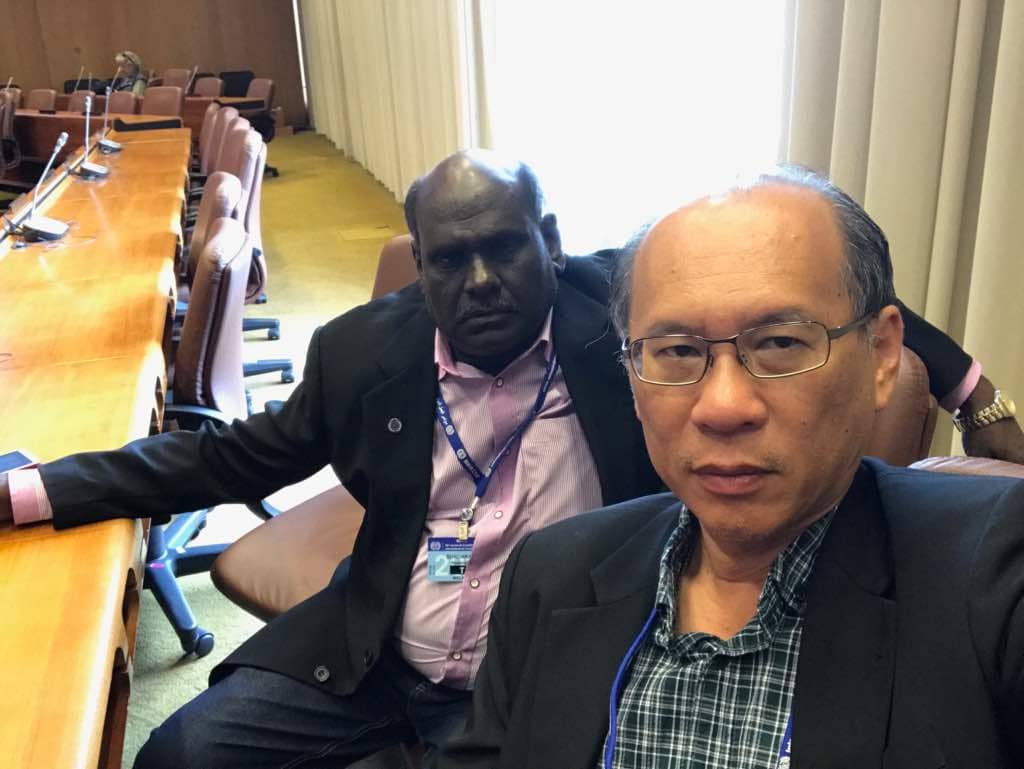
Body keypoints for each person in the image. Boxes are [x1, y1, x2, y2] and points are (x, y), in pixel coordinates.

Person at [0, 153, 1018, 767]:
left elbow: (820, 296)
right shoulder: (362, 355)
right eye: (450, 258)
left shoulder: (624, 316)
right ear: (420, 264)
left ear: (550, 241)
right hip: (376, 654)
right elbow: (230, 459)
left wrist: (977, 395)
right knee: (182, 750)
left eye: (505, 247)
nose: (482, 279)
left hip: (525, 671)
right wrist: (35, 488)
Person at [438, 167, 1024, 769]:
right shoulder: (552, 574)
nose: (722, 407)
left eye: (779, 343)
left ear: (880, 356)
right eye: (677, 351)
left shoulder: (992, 573)